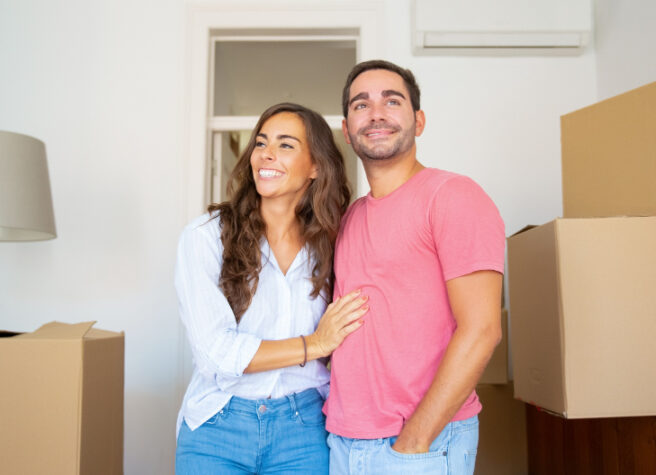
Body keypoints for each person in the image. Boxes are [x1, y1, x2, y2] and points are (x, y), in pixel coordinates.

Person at [324, 60, 505, 474]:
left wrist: (414, 441)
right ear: (347, 130)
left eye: (392, 101)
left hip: (416, 445)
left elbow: (482, 329)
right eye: (361, 105)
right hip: (345, 442)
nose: (376, 114)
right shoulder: (349, 219)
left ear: (418, 121)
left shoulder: (452, 196)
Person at [174, 103, 368, 474]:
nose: (266, 153)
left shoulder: (334, 242)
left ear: (315, 166)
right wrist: (315, 344)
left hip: (304, 428)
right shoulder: (206, 236)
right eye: (261, 142)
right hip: (217, 427)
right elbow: (215, 353)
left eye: (285, 145)